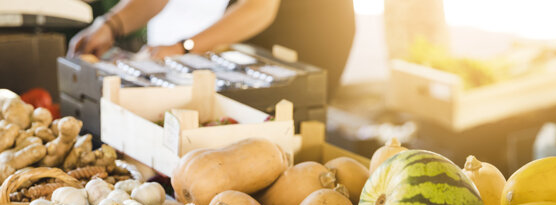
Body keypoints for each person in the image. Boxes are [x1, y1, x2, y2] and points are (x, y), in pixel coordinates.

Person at [68, 0, 355, 97]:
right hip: (258, 25)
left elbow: (260, 8)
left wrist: (185, 47)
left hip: (311, 29)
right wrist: (110, 25)